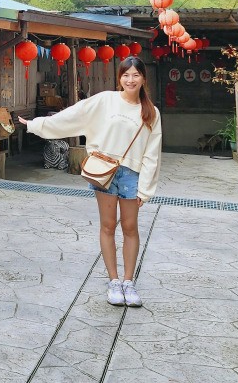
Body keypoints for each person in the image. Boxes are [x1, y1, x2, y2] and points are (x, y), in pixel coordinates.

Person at [19, 56, 162, 308]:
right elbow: (73, 116)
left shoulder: (150, 112)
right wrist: (35, 125)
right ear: (119, 78)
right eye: (125, 75)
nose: (130, 80)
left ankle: (129, 282)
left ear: (143, 78)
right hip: (104, 170)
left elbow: (152, 152)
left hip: (131, 174)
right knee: (107, 226)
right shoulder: (105, 100)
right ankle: (114, 281)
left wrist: (146, 188)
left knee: (130, 228)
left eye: (135, 75)